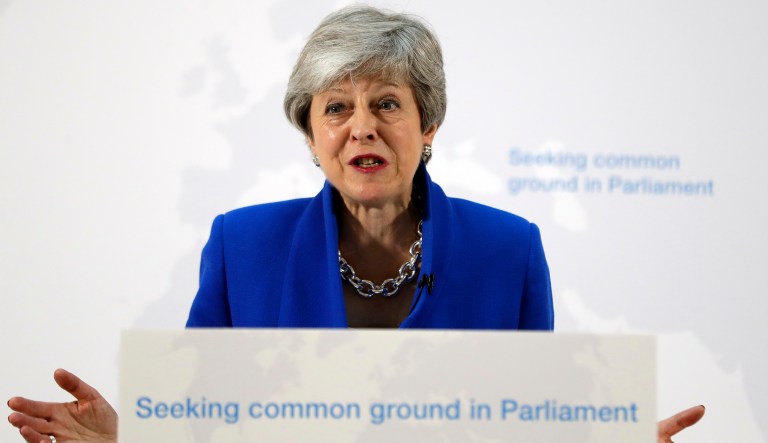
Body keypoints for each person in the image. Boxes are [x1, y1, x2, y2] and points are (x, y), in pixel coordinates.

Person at [7, 6, 704, 442]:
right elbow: (198, 426)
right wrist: (126, 441)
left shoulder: (511, 249)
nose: (361, 126)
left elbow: (529, 428)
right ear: (311, 135)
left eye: (387, 104)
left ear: (428, 124)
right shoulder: (240, 246)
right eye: (336, 107)